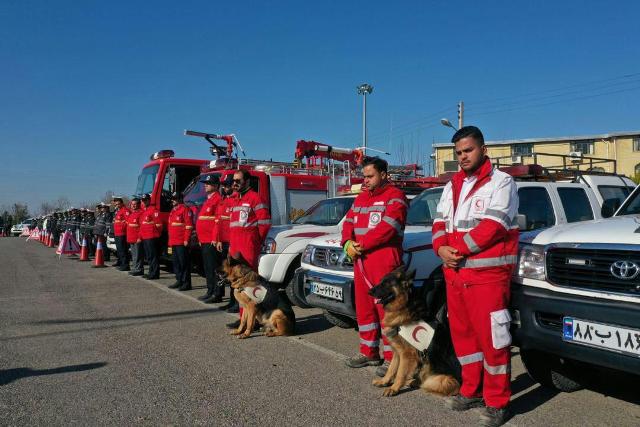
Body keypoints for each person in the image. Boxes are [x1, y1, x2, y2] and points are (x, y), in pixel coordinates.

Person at [432, 126, 518, 427]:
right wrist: (440, 247)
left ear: (483, 149)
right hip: (456, 275)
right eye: (458, 152)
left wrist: (454, 249)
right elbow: (439, 221)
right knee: (464, 338)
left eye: (467, 150)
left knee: (494, 340)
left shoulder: (502, 182)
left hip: (488, 277)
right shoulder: (452, 184)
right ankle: (472, 390)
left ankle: (497, 401)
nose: (462, 156)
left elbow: (493, 227)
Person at [341, 157, 408, 376]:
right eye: (364, 176)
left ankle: (392, 357)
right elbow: (348, 222)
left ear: (384, 174)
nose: (366, 180)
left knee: (387, 311)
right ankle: (369, 352)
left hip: (385, 261)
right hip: (362, 262)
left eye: (370, 176)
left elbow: (388, 228)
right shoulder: (360, 198)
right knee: (364, 308)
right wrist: (346, 243)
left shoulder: (396, 197)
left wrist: (360, 245)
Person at [226, 169, 271, 329]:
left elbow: (265, 223)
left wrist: (256, 241)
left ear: (247, 181)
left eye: (238, 180)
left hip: (248, 247)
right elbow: (233, 227)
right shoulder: (235, 200)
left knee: (249, 284)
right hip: (236, 247)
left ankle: (254, 319)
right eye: (233, 181)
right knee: (238, 284)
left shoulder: (255, 198)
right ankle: (243, 319)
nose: (234, 183)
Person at [196, 175, 223, 302]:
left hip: (211, 240)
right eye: (205, 183)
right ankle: (210, 290)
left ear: (216, 186)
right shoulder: (208, 200)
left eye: (209, 183)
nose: (205, 185)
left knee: (214, 268)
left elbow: (218, 221)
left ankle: (217, 293)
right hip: (204, 240)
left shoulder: (218, 199)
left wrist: (215, 238)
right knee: (207, 267)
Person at [215, 175, 238, 312]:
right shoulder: (226, 200)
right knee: (227, 273)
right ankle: (231, 301)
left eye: (226, 185)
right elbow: (220, 223)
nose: (224, 188)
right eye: (223, 186)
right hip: (224, 241)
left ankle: (236, 302)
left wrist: (231, 243)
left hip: (231, 242)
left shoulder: (235, 200)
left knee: (234, 273)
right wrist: (219, 239)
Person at [167, 192, 194, 291]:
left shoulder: (185, 209)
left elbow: (189, 226)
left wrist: (186, 239)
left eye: (175, 198)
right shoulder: (173, 211)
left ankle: (186, 283)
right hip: (174, 241)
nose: (173, 200)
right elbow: (171, 228)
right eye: (172, 199)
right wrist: (170, 241)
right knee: (176, 263)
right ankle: (179, 280)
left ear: (180, 199)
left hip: (182, 241)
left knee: (184, 263)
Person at [139, 193, 162, 280]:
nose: (144, 202)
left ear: (149, 200)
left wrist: (156, 235)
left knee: (153, 256)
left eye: (145, 200)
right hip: (145, 237)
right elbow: (142, 225)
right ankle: (150, 272)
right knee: (149, 256)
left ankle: (155, 273)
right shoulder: (144, 211)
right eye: (143, 200)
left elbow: (159, 225)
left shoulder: (154, 211)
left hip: (152, 237)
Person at [126, 197, 145, 276]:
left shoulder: (141, 213)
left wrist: (139, 237)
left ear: (138, 205)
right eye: (132, 204)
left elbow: (142, 227)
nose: (133, 206)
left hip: (137, 238)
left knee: (138, 255)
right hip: (131, 238)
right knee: (134, 255)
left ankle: (139, 269)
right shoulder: (132, 213)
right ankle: (135, 268)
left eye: (135, 204)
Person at [112, 197, 131, 271]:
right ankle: (121, 263)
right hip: (117, 233)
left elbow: (128, 221)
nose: (117, 205)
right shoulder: (118, 211)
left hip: (122, 233)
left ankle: (125, 265)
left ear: (122, 203)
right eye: (116, 204)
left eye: (118, 203)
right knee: (119, 250)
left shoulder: (125, 211)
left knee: (123, 250)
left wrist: (122, 228)